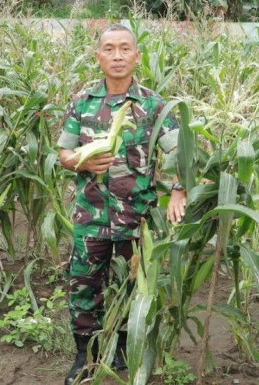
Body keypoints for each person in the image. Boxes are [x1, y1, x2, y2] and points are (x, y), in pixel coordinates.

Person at [57, 24, 186, 385]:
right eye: (109, 49)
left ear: (136, 56)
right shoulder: (82, 102)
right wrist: (80, 161)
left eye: (124, 49)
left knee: (132, 285)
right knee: (83, 284)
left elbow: (179, 151)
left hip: (137, 218)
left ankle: (122, 348)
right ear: (98, 56)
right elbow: (64, 152)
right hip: (91, 216)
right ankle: (84, 354)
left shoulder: (153, 105)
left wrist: (178, 189)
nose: (117, 56)